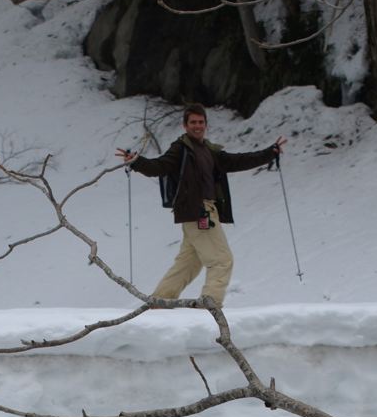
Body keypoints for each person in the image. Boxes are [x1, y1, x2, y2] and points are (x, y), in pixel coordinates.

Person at [117, 104, 287, 306]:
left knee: (189, 263)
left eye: (201, 122)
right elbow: (160, 166)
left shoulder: (209, 150)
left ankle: (159, 303)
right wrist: (137, 162)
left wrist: (269, 153)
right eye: (193, 122)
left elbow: (238, 161)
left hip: (204, 211)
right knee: (222, 260)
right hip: (198, 212)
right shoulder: (180, 148)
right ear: (185, 125)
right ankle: (211, 304)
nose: (197, 126)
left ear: (205, 124)